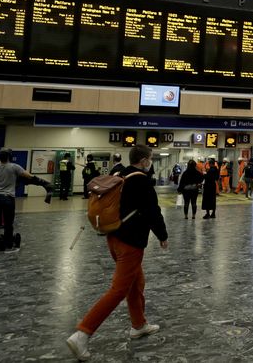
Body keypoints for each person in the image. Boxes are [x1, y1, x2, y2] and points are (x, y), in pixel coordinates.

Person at [66, 145, 168, 361]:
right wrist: (162, 235)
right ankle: (82, 333)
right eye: (150, 159)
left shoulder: (120, 174)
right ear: (143, 161)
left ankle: (138, 325)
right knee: (118, 289)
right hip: (131, 242)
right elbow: (152, 211)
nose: (150, 162)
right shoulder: (142, 180)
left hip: (114, 237)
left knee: (136, 281)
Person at [0, 149, 53, 254]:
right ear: (9, 156)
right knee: (8, 223)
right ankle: (8, 244)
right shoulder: (14, 167)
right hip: (8, 198)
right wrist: (45, 183)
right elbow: (30, 177)